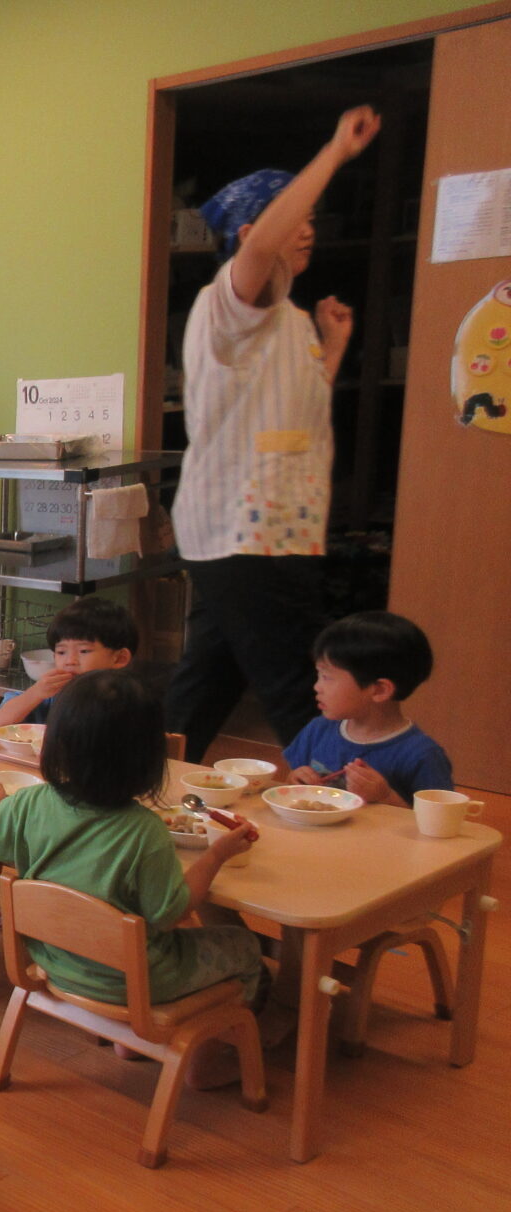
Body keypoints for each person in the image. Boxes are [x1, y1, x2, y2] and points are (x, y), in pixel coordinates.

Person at [163, 105, 383, 762]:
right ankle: (337, 799)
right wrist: (335, 153)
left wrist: (334, 347)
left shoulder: (287, 315)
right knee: (299, 683)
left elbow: (297, 415)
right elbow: (260, 250)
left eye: (312, 218)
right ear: (252, 232)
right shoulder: (234, 300)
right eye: (298, 217)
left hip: (266, 529)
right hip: (248, 531)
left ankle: (142, 783)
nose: (308, 229)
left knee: (207, 682)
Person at [0, 670, 276, 1085]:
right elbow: (171, 912)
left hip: (55, 962)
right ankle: (205, 1061)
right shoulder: (144, 831)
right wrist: (217, 854)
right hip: (138, 980)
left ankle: (129, 1037)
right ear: (148, 759)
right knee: (246, 947)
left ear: (56, 745)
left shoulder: (30, 804)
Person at [283, 611, 451, 805]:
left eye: (327, 677)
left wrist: (386, 797)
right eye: (319, 675)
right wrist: (295, 780)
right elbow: (292, 784)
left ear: (379, 690)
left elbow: (439, 819)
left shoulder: (422, 755)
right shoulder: (318, 730)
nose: (317, 687)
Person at [0, 596, 138, 728]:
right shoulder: (53, 694)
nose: (70, 661)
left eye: (84, 651)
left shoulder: (130, 701)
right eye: (61, 652)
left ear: (120, 658)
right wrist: (35, 693)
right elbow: (1, 721)